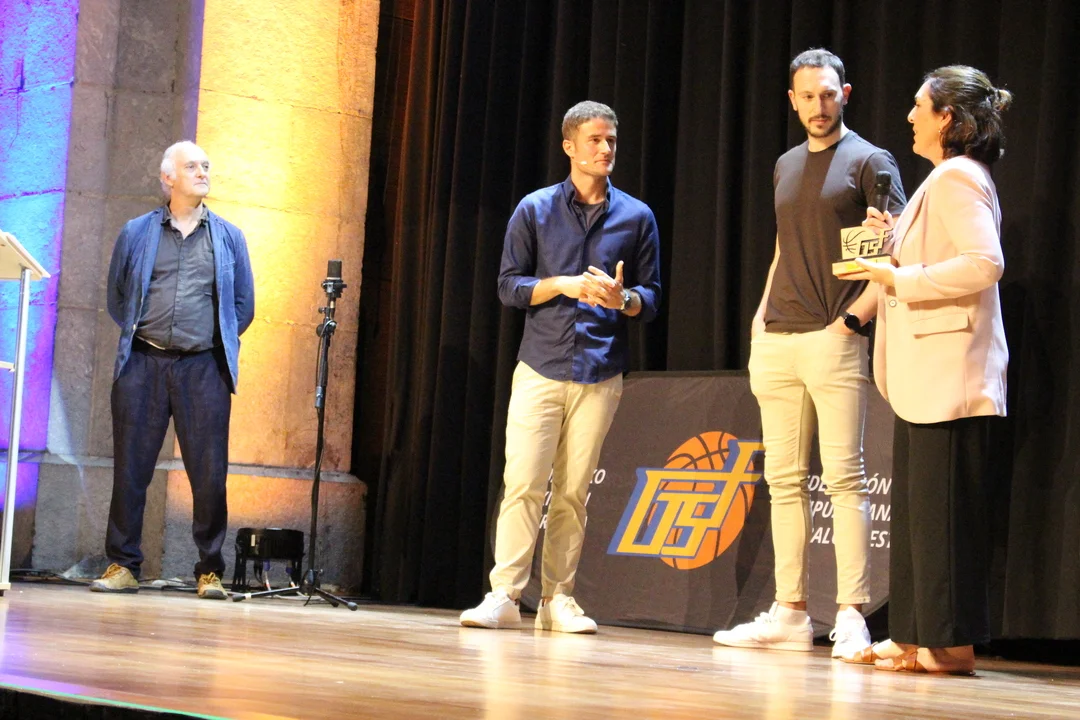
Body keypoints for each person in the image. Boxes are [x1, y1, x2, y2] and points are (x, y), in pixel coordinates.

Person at [712, 49, 906, 655]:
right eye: (807, 96)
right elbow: (784, 246)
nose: (818, 106)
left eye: (827, 94)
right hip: (778, 337)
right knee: (783, 482)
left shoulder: (871, 160)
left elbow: (897, 251)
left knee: (845, 479)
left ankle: (851, 615)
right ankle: (790, 612)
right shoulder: (786, 163)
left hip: (833, 335)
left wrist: (851, 321)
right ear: (792, 101)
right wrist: (758, 320)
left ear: (844, 93)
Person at [460, 101, 662, 633]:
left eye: (611, 140)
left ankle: (558, 599)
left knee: (573, 492)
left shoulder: (637, 216)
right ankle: (505, 594)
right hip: (541, 365)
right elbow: (509, 286)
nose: (606, 149)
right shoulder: (535, 209)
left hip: (600, 369)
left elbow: (651, 297)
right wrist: (563, 285)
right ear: (569, 146)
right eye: (595, 139)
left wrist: (623, 300)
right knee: (524, 483)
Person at [845, 65, 1011, 675]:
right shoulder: (942, 180)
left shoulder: (958, 177)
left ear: (948, 118)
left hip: (951, 373)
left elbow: (984, 263)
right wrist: (892, 240)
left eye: (920, 106)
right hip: (926, 374)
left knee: (943, 518)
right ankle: (915, 635)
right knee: (922, 516)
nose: (910, 116)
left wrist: (899, 277)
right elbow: (939, 252)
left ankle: (950, 645)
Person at [91, 141, 255, 599]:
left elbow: (243, 305)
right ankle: (123, 565)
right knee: (131, 469)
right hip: (143, 362)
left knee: (209, 473)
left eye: (206, 166)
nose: (202, 172)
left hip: (203, 367)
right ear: (168, 178)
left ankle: (210, 570)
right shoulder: (136, 232)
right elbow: (118, 296)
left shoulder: (229, 237)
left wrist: (208, 341)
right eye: (192, 166)